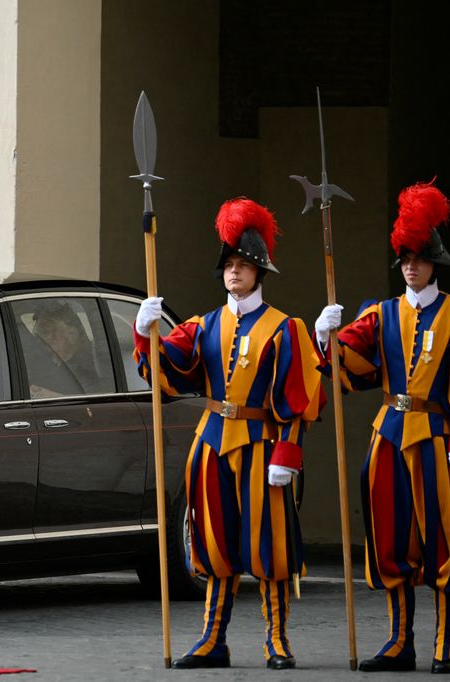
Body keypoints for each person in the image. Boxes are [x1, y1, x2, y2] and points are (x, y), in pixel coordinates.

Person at [134, 198, 325, 670]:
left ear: (260, 273)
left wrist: (288, 453)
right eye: (229, 265)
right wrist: (145, 333)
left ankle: (276, 640)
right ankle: (211, 639)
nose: (234, 272)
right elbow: (167, 373)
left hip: (263, 446)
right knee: (214, 542)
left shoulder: (285, 329)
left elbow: (298, 400)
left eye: (243, 265)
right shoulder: (203, 325)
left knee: (269, 543)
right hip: (214, 441)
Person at [313, 181, 450, 674]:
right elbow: (346, 367)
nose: (411, 266)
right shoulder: (382, 314)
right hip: (391, 435)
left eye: (418, 258)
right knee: (391, 538)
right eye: (404, 259)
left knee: (444, 539)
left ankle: (445, 640)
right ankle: (400, 640)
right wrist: (325, 335)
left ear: (433, 261)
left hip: (439, 435)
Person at [29, 301, 110, 397]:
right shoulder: (39, 363)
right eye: (41, 333)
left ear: (70, 333)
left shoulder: (88, 364)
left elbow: (96, 402)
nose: (42, 340)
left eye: (47, 332)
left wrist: (55, 397)